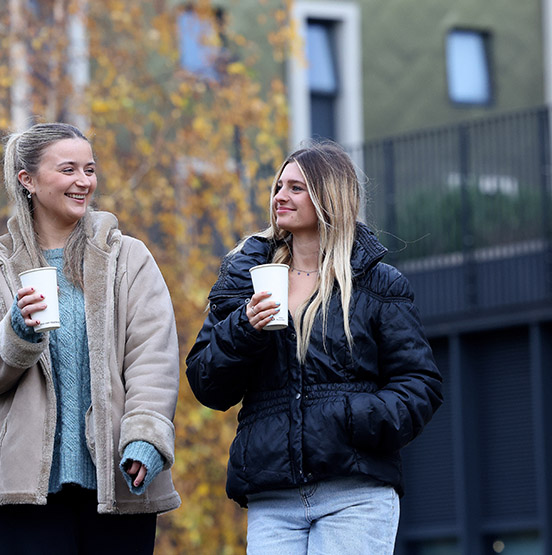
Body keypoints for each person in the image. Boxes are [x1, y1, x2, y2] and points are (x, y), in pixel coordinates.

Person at [185, 140, 443, 554]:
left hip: (354, 492)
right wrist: (244, 328)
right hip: (273, 496)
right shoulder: (246, 277)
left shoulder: (378, 283)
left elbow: (419, 385)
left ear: (328, 196)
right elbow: (206, 383)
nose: (280, 197)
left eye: (296, 188)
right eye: (279, 186)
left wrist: (350, 418)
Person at [0, 122, 181, 554]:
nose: (83, 182)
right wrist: (15, 332)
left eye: (89, 170)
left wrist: (146, 439)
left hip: (120, 481)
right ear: (28, 180)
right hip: (23, 494)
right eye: (69, 169)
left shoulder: (128, 257)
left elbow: (154, 359)